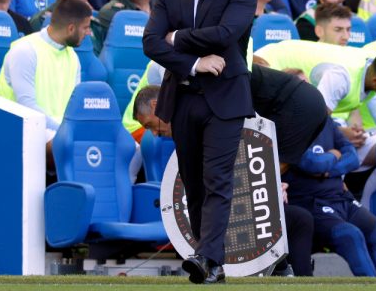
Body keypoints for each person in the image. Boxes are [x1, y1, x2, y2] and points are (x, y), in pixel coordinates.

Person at [133, 63, 330, 277]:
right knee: (255, 182)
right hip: (298, 104)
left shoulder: (191, 95)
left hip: (296, 106)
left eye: (151, 125)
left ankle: (279, 266)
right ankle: (278, 266)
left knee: (257, 181)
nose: (155, 134)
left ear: (155, 106)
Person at [142, 0, 257, 284]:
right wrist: (194, 64)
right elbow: (149, 42)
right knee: (192, 182)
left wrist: (176, 38)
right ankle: (211, 262)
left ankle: (207, 256)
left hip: (226, 99)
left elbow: (226, 34)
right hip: (184, 97)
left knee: (218, 179)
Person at [283, 109, 376, 277]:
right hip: (312, 202)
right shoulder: (286, 125)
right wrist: (334, 154)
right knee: (350, 235)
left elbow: (352, 157)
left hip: (341, 197)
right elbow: (312, 164)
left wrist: (327, 170)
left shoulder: (325, 121)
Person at [0, 0, 90, 172]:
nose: (89, 33)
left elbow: (73, 105)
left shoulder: (73, 57)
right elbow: (27, 105)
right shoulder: (25, 51)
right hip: (23, 128)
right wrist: (66, 130)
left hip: (57, 130)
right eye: (85, 27)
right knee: (71, 147)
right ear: (71, 28)